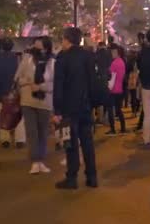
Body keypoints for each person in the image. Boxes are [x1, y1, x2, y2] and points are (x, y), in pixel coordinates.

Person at [53, 27, 98, 189]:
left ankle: (71, 178)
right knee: (87, 143)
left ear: (67, 40)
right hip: (85, 106)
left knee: (70, 144)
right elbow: (93, 82)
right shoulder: (88, 56)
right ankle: (92, 177)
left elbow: (58, 86)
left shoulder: (62, 58)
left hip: (68, 108)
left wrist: (57, 110)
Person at [16, 37, 55, 174]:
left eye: (39, 47)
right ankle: (35, 161)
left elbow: (54, 84)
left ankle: (41, 160)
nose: (36, 50)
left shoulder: (52, 63)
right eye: (35, 47)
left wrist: (40, 87)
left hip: (45, 102)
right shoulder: (27, 60)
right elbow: (18, 79)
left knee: (43, 132)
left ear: (46, 48)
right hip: (28, 101)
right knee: (32, 132)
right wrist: (28, 81)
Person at [0, 38, 25, 149]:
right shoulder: (19, 59)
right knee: (19, 115)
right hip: (17, 92)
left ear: (1, 47)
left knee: (3, 114)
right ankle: (20, 139)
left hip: (1, 92)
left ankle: (5, 139)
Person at [106, 44, 126, 135]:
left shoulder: (114, 63)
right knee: (119, 109)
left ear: (118, 53)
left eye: (114, 52)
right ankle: (123, 128)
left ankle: (113, 129)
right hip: (120, 88)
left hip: (112, 89)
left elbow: (110, 74)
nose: (112, 54)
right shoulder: (122, 62)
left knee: (110, 109)